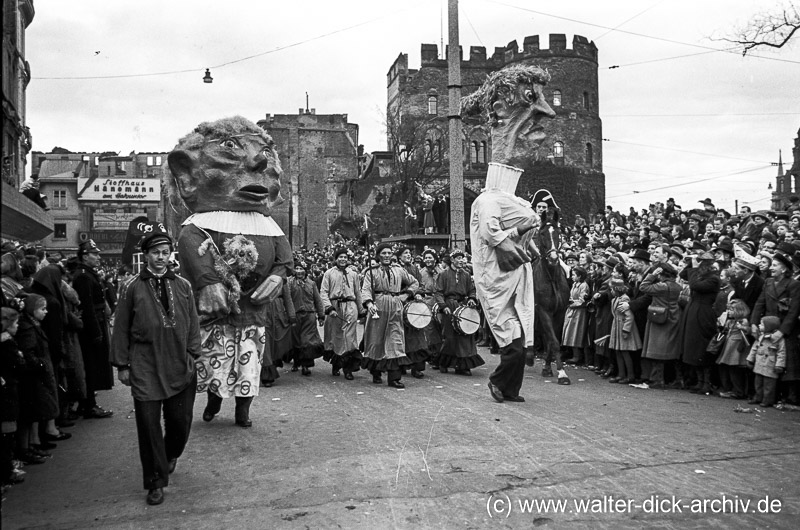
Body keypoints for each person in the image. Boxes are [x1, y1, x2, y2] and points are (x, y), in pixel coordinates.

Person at [462, 63, 555, 403]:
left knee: (520, 342)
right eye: (531, 98)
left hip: (516, 278)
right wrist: (511, 237)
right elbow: (490, 231)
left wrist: (525, 229)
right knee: (513, 344)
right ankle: (500, 383)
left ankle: (508, 389)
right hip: (498, 280)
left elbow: (522, 225)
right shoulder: (487, 201)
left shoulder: (509, 199)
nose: (548, 112)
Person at [111, 226, 201, 506]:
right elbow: (121, 328)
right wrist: (122, 365)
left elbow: (193, 323)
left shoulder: (183, 286)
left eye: (165, 252)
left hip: (179, 364)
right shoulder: (131, 287)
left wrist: (194, 355)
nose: (161, 257)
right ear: (146, 254)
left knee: (180, 423)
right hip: (145, 367)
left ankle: (170, 453)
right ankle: (155, 482)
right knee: (149, 427)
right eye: (155, 253)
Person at [360, 243, 419, 388]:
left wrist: (406, 295)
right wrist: (369, 304)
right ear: (378, 255)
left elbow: (414, 282)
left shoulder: (399, 270)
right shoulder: (371, 272)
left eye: (389, 253)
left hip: (395, 306)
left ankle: (394, 378)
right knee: (376, 340)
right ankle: (376, 372)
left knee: (395, 340)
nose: (386, 256)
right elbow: (366, 290)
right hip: (378, 307)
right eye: (383, 253)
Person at [72, 239, 114, 419]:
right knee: (91, 366)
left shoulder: (87, 273)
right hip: (91, 326)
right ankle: (89, 405)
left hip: (95, 322)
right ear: (84, 256)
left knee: (93, 365)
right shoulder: (82, 275)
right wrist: (96, 332)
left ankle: (87, 403)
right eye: (94, 254)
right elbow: (87, 306)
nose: (98, 257)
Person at [435, 249, 483, 375]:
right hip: (449, 305)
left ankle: (462, 366)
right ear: (452, 260)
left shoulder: (466, 275)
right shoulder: (444, 274)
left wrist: (472, 299)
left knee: (465, 335)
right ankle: (444, 362)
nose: (461, 260)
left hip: (462, 305)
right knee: (449, 336)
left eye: (462, 258)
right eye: (458, 258)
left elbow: (472, 290)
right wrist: (443, 306)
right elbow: (438, 292)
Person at [320, 247, 363, 380]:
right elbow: (324, 292)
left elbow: (358, 292)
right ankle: (336, 364)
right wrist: (329, 308)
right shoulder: (329, 273)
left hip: (350, 306)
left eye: (345, 257)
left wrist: (361, 309)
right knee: (336, 337)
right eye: (340, 257)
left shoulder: (353, 274)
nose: (343, 259)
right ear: (336, 259)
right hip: (335, 307)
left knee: (349, 338)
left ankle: (348, 368)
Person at [639, 263, 682, 389]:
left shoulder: (662, 286)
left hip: (659, 318)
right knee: (671, 351)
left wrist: (652, 274)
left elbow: (644, 287)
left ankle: (658, 379)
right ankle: (678, 379)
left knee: (656, 351)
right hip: (673, 317)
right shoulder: (677, 286)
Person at [287, 263, 325, 376]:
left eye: (301, 268)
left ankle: (305, 365)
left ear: (305, 270)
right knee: (295, 340)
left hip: (309, 315)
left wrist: (321, 315)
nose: (299, 271)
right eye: (297, 268)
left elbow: (317, 300)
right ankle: (296, 361)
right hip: (295, 316)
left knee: (307, 341)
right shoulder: (289, 283)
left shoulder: (311, 283)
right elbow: (287, 300)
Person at [397, 247, 429, 378]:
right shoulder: (396, 269)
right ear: (399, 257)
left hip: (414, 305)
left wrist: (419, 294)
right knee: (401, 336)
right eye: (405, 254)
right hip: (400, 303)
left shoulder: (415, 269)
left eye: (410, 253)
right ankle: (401, 365)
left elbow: (420, 285)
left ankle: (417, 367)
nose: (409, 255)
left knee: (417, 337)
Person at [747, 316, 785, 407]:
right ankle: (758, 397)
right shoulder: (760, 336)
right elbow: (754, 348)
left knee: (769, 385)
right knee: (758, 383)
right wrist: (750, 359)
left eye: (762, 324)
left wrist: (779, 365)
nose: (759, 325)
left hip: (770, 364)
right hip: (759, 363)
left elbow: (781, 353)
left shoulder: (778, 339)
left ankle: (767, 400)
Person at [608, 278, 641, 384]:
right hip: (617, 326)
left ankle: (630, 375)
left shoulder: (624, 299)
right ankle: (621, 374)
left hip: (623, 328)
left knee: (625, 352)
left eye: (612, 289)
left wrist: (626, 330)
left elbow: (629, 317)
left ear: (617, 289)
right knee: (618, 351)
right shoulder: (616, 299)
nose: (611, 291)